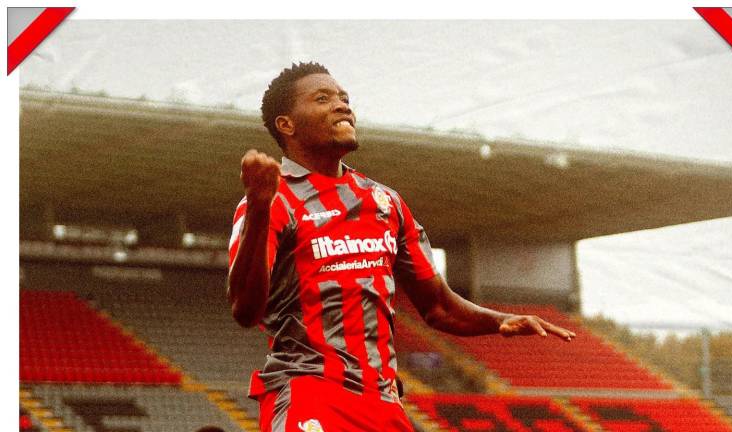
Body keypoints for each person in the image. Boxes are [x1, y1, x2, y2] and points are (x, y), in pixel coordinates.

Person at [227, 62, 576, 432]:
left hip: (383, 403)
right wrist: (260, 208)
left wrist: (499, 320)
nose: (342, 106)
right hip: (310, 393)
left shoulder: (385, 202)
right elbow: (245, 309)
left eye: (345, 99)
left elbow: (438, 306)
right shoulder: (272, 200)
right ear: (287, 124)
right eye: (323, 99)